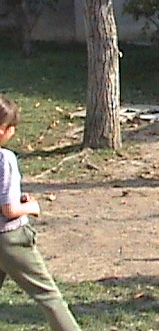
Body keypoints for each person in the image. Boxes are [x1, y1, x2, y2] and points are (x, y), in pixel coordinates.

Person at [0, 95, 83, 331]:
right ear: (2, 130)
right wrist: (32, 207)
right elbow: (9, 210)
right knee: (49, 296)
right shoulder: (5, 159)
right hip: (9, 239)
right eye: (12, 128)